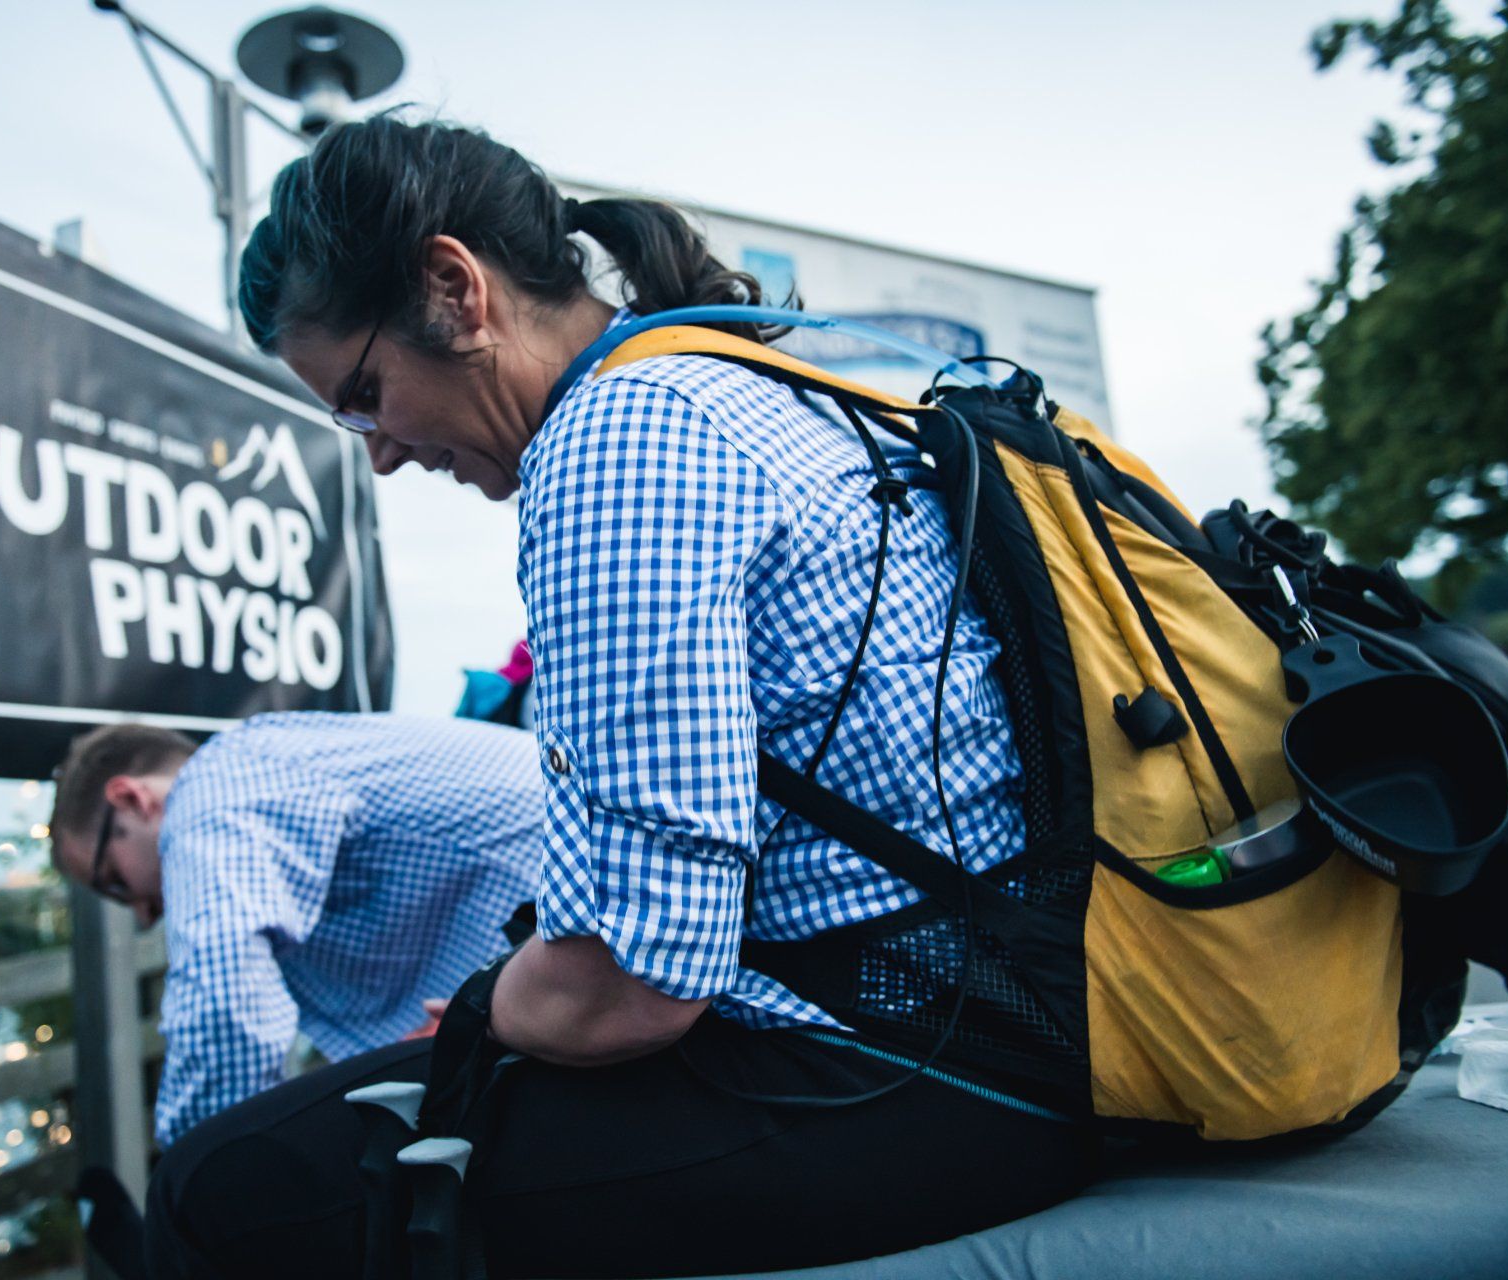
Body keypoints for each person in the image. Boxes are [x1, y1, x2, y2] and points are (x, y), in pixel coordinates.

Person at [144, 115, 1096, 1278]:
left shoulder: (617, 443)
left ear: (455, 288)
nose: (379, 451)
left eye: (362, 393)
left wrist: (492, 1010)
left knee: (211, 1190)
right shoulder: (735, 369)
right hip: (997, 1012)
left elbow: (634, 987)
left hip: (923, 1067)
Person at [48, 712, 541, 1148]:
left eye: (114, 882)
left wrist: (193, 1166)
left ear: (131, 798)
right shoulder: (269, 761)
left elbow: (224, 997)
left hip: (572, 943)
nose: (141, 914)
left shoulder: (212, 789)